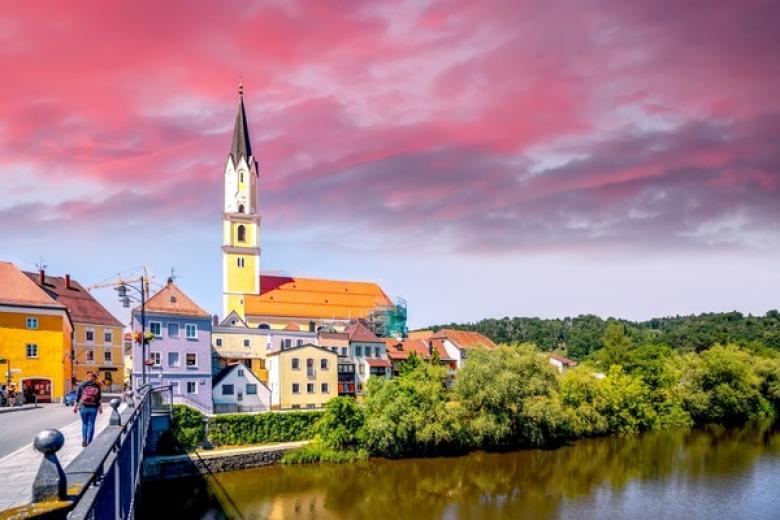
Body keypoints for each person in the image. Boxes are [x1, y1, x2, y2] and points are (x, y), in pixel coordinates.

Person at [73, 371, 103, 447]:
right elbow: (99, 398)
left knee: (84, 423)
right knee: (91, 424)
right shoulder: (97, 386)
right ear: (94, 378)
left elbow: (78, 396)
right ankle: (90, 441)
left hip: (83, 406)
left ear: (87, 377)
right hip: (94, 407)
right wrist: (100, 408)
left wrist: (75, 406)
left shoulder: (82, 385)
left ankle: (84, 441)